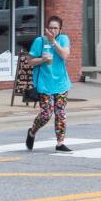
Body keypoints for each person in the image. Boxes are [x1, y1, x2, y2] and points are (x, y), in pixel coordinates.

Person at [23, 11, 74, 152]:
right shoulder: (39, 41)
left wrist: (54, 42)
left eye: (55, 28)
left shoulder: (63, 39)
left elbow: (64, 55)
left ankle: (60, 143)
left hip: (61, 83)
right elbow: (30, 61)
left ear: (60, 30)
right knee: (46, 114)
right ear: (46, 28)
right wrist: (42, 60)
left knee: (61, 113)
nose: (52, 30)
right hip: (44, 83)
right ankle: (32, 131)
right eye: (50, 28)